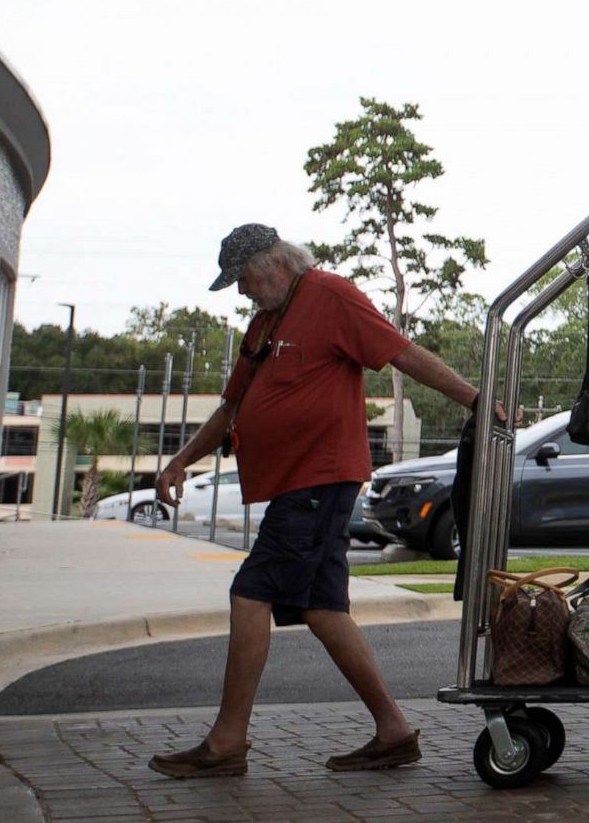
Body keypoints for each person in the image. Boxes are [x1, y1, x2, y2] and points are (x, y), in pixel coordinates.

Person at [148, 223, 483, 779]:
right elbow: (231, 409)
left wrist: (478, 399)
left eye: (243, 278)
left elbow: (401, 353)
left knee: (250, 593)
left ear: (273, 262)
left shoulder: (329, 295)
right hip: (294, 484)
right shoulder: (263, 325)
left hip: (320, 480)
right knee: (323, 609)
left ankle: (227, 742)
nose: (240, 291)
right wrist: (182, 460)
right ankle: (394, 732)